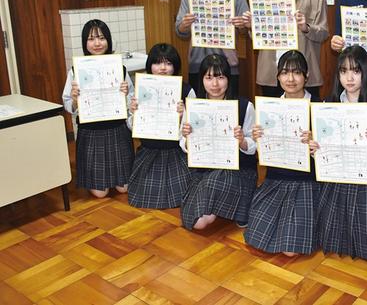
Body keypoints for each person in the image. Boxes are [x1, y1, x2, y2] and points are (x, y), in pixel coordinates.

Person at [309, 45, 367, 261]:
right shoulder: (328, 104)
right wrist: (314, 149)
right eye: (343, 71)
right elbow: (320, 147)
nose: (349, 78)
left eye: (356, 71)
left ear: (366, 72)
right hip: (336, 175)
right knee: (329, 235)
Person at [244, 50, 320, 256]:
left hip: (306, 183)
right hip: (276, 179)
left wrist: (315, 144)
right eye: (285, 73)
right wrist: (258, 138)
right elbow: (261, 150)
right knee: (258, 236)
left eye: (297, 72)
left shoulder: (319, 106)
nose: (291, 79)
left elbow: (329, 157)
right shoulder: (269, 107)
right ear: (277, 77)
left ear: (307, 76)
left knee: (290, 250)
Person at [180, 54, 257, 229]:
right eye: (209, 78)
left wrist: (242, 141)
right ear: (201, 80)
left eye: (220, 77)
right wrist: (187, 138)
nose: (215, 84)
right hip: (205, 169)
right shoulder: (194, 107)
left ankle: (230, 204)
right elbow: (183, 144)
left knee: (206, 209)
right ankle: (221, 205)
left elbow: (253, 145)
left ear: (229, 79)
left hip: (238, 170)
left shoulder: (244, 106)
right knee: (196, 222)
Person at [62, 19, 134, 198]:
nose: (97, 43)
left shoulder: (120, 68)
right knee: (101, 193)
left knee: (123, 189)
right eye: (91, 39)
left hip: (117, 130)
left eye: (101, 38)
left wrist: (126, 94)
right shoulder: (76, 70)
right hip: (91, 132)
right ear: (84, 43)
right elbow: (68, 104)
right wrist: (75, 99)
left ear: (108, 40)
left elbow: (133, 101)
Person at [175, 0, 250, 94]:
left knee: (228, 107)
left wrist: (243, 25)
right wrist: (185, 24)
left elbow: (246, 32)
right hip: (198, 66)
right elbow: (180, 32)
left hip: (228, 66)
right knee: (199, 107)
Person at [127, 43, 195, 209]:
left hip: (175, 152)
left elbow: (192, 131)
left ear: (175, 66)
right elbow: (132, 127)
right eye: (157, 63)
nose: (163, 68)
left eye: (168, 63)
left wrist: (182, 116)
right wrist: (134, 113)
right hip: (149, 150)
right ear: (150, 65)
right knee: (142, 196)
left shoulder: (186, 90)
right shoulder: (141, 88)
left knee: (183, 193)